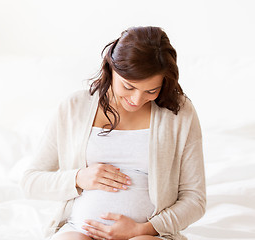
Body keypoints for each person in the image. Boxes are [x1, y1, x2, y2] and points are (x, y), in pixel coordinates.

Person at [20, 26, 206, 240]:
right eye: (128, 87)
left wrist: (143, 229)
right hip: (78, 230)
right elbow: (30, 182)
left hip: (148, 235)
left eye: (151, 91)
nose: (137, 100)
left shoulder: (179, 113)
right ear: (111, 69)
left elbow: (195, 199)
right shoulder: (75, 107)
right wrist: (79, 178)